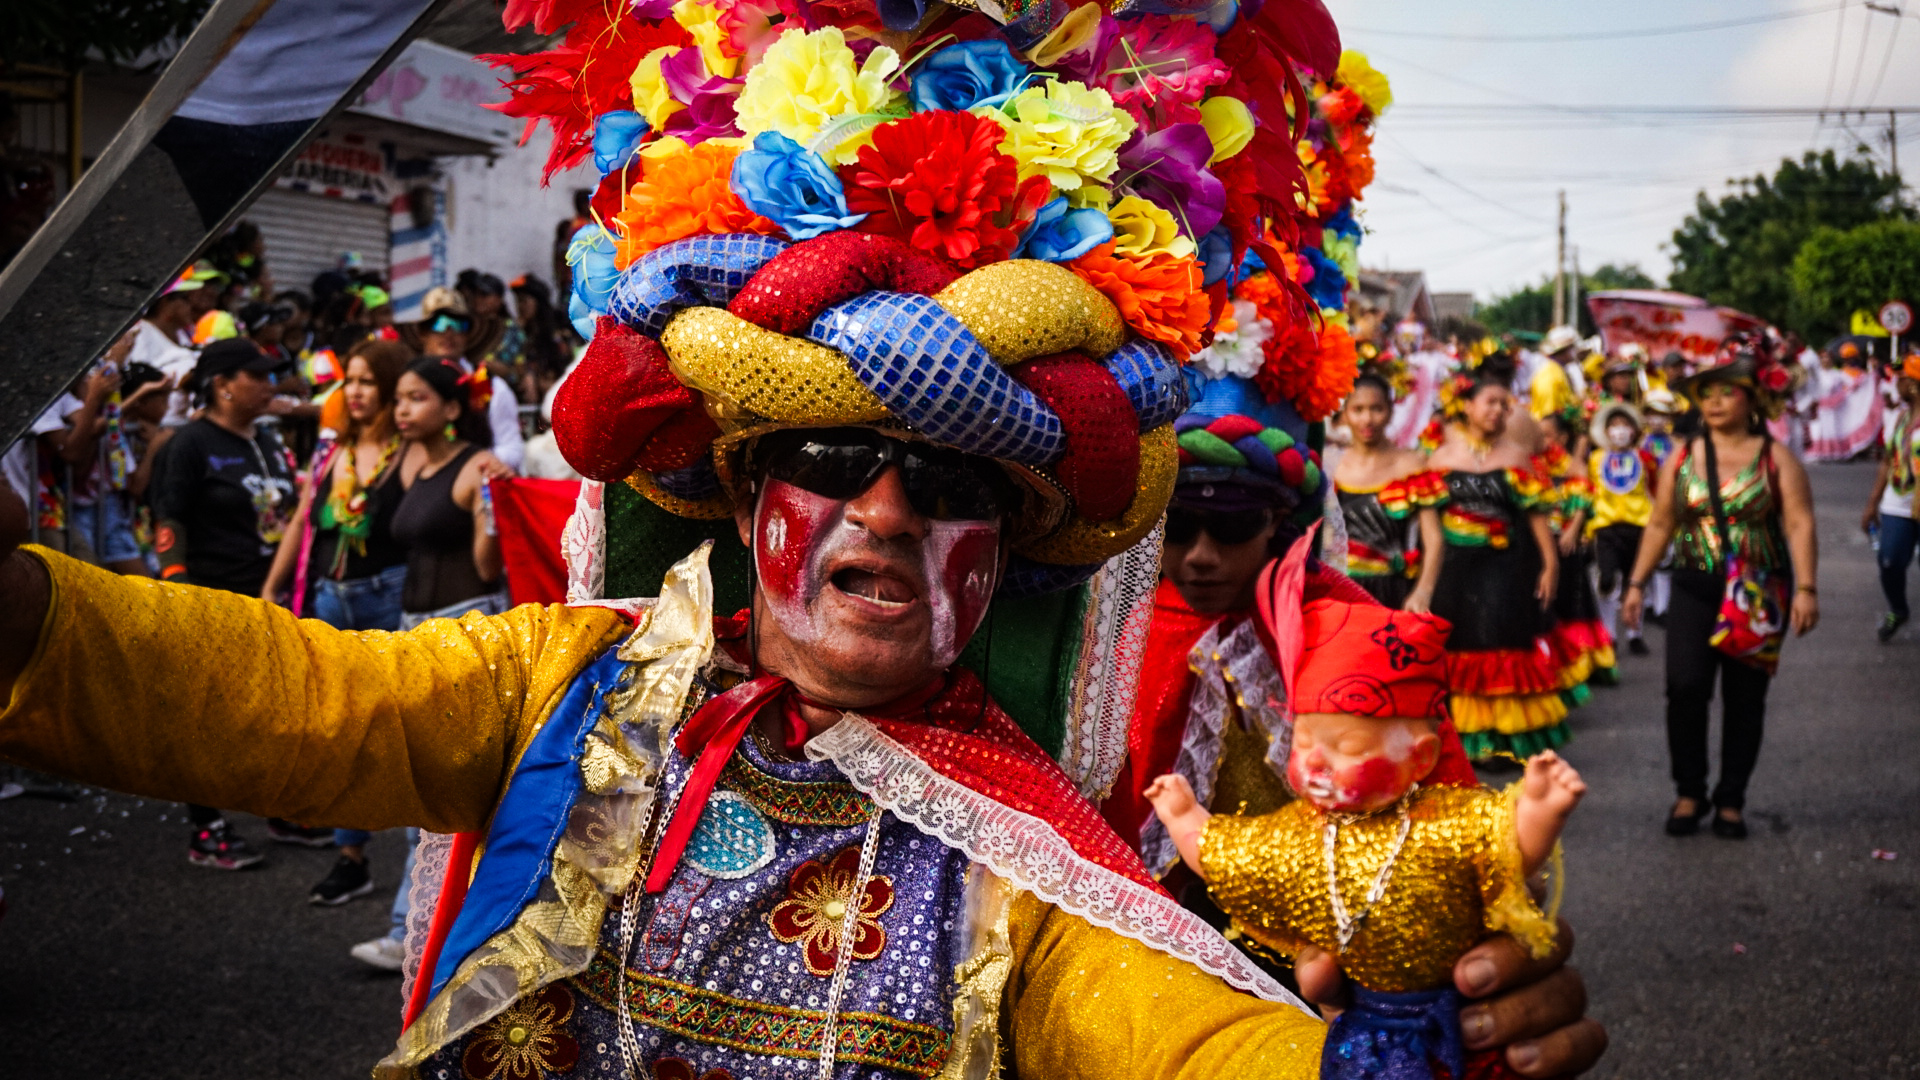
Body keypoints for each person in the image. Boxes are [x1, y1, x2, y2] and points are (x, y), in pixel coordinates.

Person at [1623, 340, 1819, 840]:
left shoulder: (1778, 459)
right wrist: (1637, 584)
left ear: (1751, 400)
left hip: (1758, 590)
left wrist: (1807, 589)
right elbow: (1661, 522)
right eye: (1705, 394)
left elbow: (1798, 523)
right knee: (1684, 688)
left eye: (1726, 393)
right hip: (1693, 584)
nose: (1713, 402)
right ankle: (1690, 791)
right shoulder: (1682, 457)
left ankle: (1731, 799)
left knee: (1744, 697)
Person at [146, 338, 329, 863]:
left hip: (270, 597)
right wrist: (178, 585)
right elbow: (169, 517)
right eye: (258, 375)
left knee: (271, 710)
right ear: (223, 385)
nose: (271, 383)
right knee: (208, 716)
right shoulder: (189, 443)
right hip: (212, 595)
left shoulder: (268, 440)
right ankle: (206, 828)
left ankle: (276, 808)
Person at [1427, 359, 1568, 762]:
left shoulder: (1517, 457)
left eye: (1505, 406)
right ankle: (1463, 734)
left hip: (1505, 565)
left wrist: (1550, 565)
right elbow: (1427, 524)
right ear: (1467, 406)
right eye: (1490, 403)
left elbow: (1537, 517)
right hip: (1453, 567)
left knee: (1498, 638)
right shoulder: (1440, 458)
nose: (1498, 412)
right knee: (1459, 642)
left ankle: (1498, 735)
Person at [390, 357, 515, 628]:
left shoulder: (478, 467)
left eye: (416, 398)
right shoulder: (415, 466)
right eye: (398, 400)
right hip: (413, 626)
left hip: (467, 622)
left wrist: (494, 496)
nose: (402, 410)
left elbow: (488, 568)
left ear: (451, 409)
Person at [1333, 373, 1446, 610]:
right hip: (1339, 592)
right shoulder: (1333, 465)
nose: (1367, 419)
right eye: (1358, 409)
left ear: (1391, 411)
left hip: (1392, 592)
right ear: (1345, 413)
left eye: (1377, 409)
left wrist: (1423, 592)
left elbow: (1433, 539)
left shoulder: (1411, 466)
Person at [405, 286, 525, 470]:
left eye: (459, 324)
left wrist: (465, 464)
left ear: (468, 334)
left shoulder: (493, 387)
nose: (449, 332)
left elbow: (512, 449)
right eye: (439, 323)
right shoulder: (407, 384)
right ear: (423, 332)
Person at [1540, 411, 1614, 691]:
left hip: (1567, 541)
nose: (1543, 440)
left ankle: (1584, 661)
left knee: (1574, 601)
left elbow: (1583, 501)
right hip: (1544, 541)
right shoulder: (1535, 464)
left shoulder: (1574, 466)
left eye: (1548, 435)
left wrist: (1573, 531)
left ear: (1562, 437)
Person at [1588, 401, 1658, 656]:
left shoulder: (1645, 458)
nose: (1619, 430)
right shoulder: (1595, 459)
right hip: (1606, 527)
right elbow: (1586, 490)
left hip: (1639, 526)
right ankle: (1609, 635)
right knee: (1607, 581)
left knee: (1634, 582)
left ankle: (1634, 635)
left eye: (1624, 424)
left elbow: (1656, 490)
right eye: (1614, 425)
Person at [1863, 356, 1920, 641]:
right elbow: (1887, 461)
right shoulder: (1899, 418)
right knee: (1889, 563)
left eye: (1902, 378)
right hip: (1896, 505)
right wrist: (1872, 504)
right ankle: (1898, 609)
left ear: (1914, 384)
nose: (1896, 383)